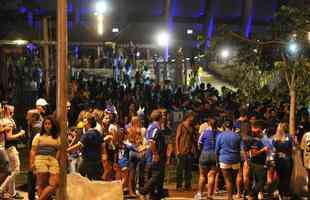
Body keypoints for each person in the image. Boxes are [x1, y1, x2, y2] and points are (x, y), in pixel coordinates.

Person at [30, 116, 60, 200]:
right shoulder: (38, 136)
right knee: (42, 184)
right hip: (40, 159)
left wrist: (56, 159)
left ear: (53, 125)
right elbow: (33, 151)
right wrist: (32, 163)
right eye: (45, 124)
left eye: (49, 124)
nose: (47, 126)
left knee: (54, 184)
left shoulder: (57, 137)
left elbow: (59, 150)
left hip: (52, 159)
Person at [139, 109, 166, 200]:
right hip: (155, 155)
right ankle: (142, 191)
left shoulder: (151, 126)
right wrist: (155, 154)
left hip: (152, 155)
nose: (164, 118)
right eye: (163, 116)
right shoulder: (155, 127)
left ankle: (152, 195)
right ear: (160, 118)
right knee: (156, 175)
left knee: (152, 175)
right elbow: (152, 142)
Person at [67, 115, 104, 180]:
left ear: (89, 123)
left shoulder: (87, 134)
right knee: (95, 180)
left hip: (87, 161)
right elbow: (102, 145)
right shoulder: (98, 133)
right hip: (97, 161)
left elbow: (78, 145)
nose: (84, 122)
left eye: (85, 121)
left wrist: (67, 150)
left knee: (80, 178)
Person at [2, 105, 25, 199]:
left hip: (8, 147)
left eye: (13, 111)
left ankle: (12, 192)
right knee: (16, 170)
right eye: (11, 112)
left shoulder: (7, 120)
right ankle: (2, 188)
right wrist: (20, 134)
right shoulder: (7, 121)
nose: (12, 113)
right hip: (10, 148)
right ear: (6, 111)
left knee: (11, 170)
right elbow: (9, 137)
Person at [215, 120, 241, 200]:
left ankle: (230, 198)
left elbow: (216, 150)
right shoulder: (237, 136)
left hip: (224, 160)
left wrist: (217, 162)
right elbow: (241, 148)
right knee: (233, 180)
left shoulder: (220, 136)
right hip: (236, 159)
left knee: (227, 180)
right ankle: (231, 197)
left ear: (224, 127)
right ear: (232, 127)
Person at [195, 116, 219, 200]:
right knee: (211, 176)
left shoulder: (204, 132)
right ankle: (209, 195)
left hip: (205, 154)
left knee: (202, 175)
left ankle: (200, 194)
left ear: (208, 123)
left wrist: (202, 150)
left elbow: (199, 144)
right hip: (215, 155)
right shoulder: (219, 133)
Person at [246, 120, 268, 200]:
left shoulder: (253, 140)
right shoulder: (257, 141)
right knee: (261, 182)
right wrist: (263, 150)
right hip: (259, 164)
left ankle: (253, 195)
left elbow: (246, 150)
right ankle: (251, 195)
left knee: (257, 181)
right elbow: (253, 153)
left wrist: (247, 159)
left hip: (255, 163)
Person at [175, 111, 196, 191]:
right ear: (189, 117)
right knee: (180, 169)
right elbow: (177, 138)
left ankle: (188, 185)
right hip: (181, 150)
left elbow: (192, 139)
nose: (193, 118)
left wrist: (194, 149)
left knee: (188, 169)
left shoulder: (192, 127)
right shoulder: (181, 125)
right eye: (192, 117)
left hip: (189, 151)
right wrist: (177, 150)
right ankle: (179, 186)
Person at [272, 122, 293, 199]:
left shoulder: (274, 137)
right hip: (286, 160)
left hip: (278, 160)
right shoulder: (289, 137)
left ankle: (281, 195)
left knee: (280, 178)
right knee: (286, 179)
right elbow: (291, 147)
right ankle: (285, 195)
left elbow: (273, 148)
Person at [301, 131, 310, 199]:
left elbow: (302, 149)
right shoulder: (305, 135)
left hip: (307, 159)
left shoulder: (305, 135)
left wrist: (302, 161)